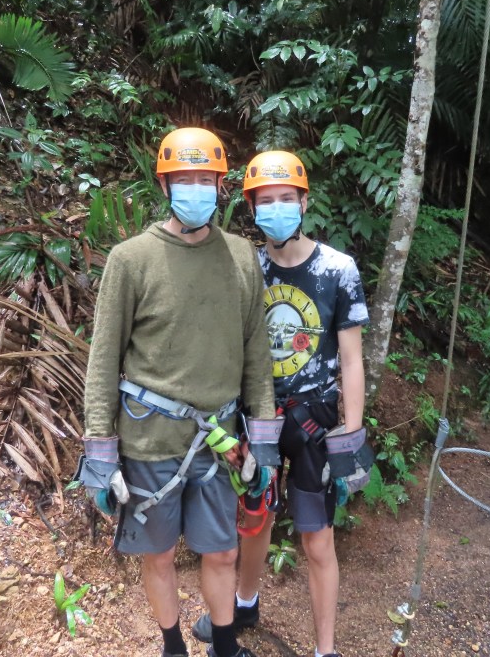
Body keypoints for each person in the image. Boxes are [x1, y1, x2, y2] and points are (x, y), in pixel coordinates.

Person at [78, 127, 281, 657]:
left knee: (221, 554)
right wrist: (100, 453)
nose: (197, 188)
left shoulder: (241, 258)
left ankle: (226, 647)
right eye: (184, 179)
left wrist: (263, 441)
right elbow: (103, 360)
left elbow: (257, 355)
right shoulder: (131, 259)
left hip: (218, 442)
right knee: (161, 554)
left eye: (206, 179)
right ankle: (173, 647)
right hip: (149, 441)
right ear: (165, 186)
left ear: (222, 185)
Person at [192, 150, 373, 657]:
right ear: (251, 207)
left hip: (315, 419)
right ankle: (244, 603)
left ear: (303, 201)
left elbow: (353, 359)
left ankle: (325, 649)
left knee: (317, 538)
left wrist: (350, 434)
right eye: (265, 200)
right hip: (258, 416)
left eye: (285, 199)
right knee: (254, 518)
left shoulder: (338, 270)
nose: (276, 208)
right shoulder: (246, 267)